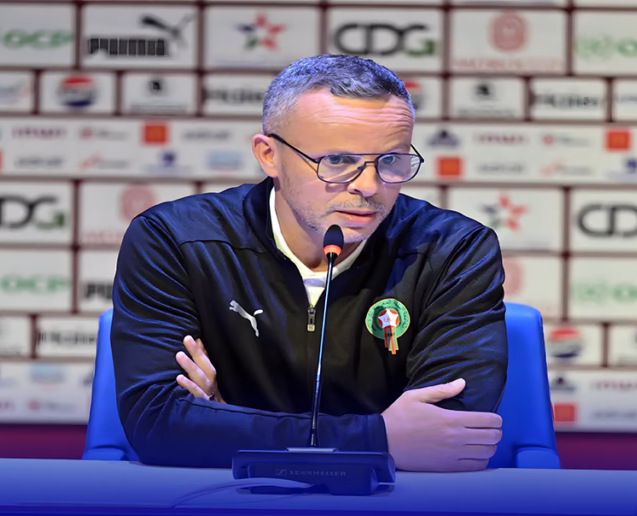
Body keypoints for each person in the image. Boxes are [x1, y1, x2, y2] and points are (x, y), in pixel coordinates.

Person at [111, 54, 508, 473]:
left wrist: (223, 421)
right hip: (226, 500)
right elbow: (158, 423)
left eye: (391, 160)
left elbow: (452, 429)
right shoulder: (175, 240)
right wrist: (378, 438)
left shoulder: (453, 249)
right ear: (269, 155)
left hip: (389, 504)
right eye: (337, 160)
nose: (369, 186)